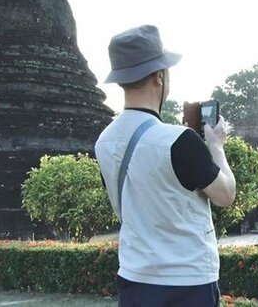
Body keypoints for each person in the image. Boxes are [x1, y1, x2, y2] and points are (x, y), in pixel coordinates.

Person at [95, 25, 237, 307]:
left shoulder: (104, 141)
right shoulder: (178, 140)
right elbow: (226, 196)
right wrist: (217, 147)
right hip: (187, 282)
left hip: (135, 278)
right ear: (160, 76)